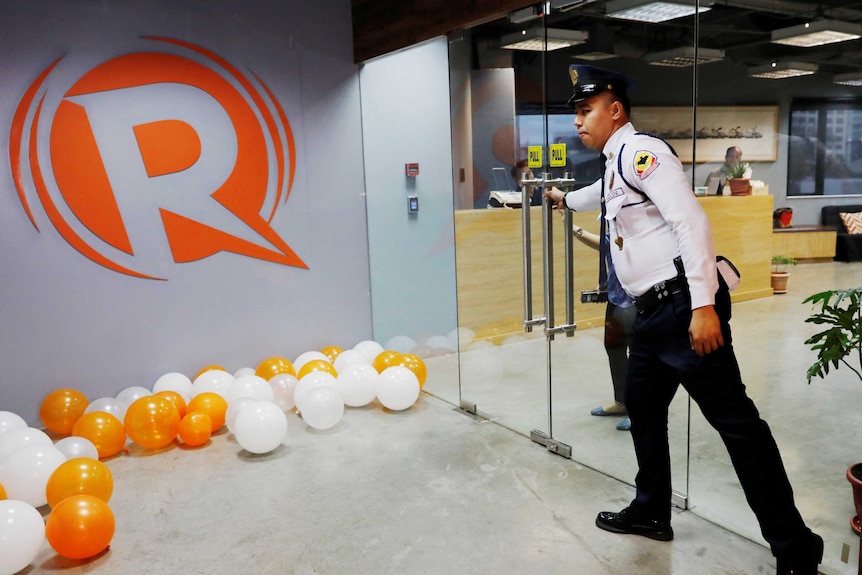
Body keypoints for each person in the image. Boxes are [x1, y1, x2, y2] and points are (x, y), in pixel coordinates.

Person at [544, 64, 822, 575]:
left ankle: (796, 545)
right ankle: (652, 510)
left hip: (682, 310)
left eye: (586, 111)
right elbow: (600, 196)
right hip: (651, 320)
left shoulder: (643, 154)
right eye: (577, 112)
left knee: (739, 428)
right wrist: (564, 199)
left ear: (615, 110)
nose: (579, 121)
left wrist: (701, 306)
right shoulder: (615, 164)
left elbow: (689, 221)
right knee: (644, 413)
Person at [571, 222, 635, 431]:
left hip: (639, 299)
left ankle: (641, 412)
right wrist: (573, 226)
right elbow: (607, 244)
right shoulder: (614, 213)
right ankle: (622, 402)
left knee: (640, 356)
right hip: (617, 298)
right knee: (614, 348)